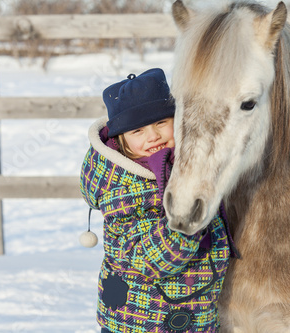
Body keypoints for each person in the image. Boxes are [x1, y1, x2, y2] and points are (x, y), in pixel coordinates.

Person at [80, 68, 238, 333]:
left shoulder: (185, 165)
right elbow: (153, 259)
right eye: (137, 131)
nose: (152, 136)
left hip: (194, 317)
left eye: (160, 123)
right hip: (142, 323)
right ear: (122, 139)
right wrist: (187, 216)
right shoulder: (123, 191)